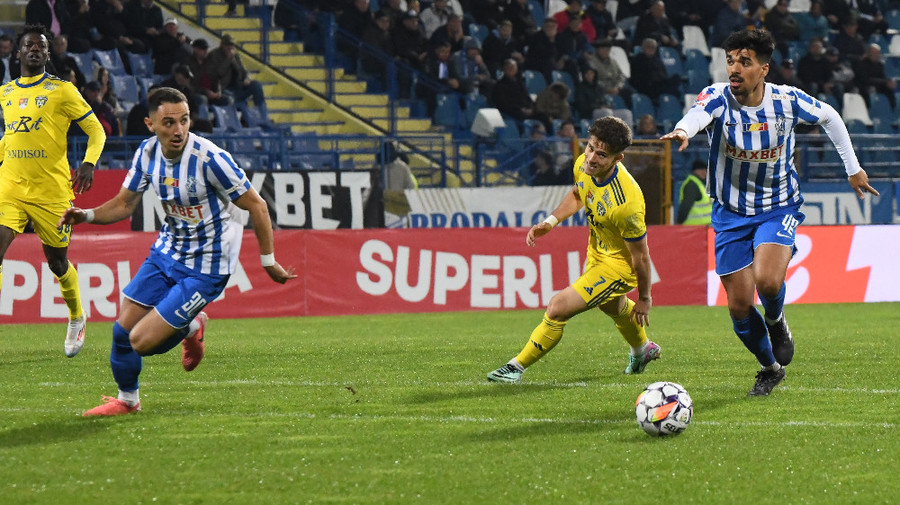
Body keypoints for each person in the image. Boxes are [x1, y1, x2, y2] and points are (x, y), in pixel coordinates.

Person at [660, 29, 879, 396]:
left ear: (763, 69)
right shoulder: (717, 97)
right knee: (740, 306)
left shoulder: (787, 101)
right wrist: (683, 130)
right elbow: (697, 114)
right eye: (730, 60)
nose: (735, 68)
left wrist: (852, 168)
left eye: (744, 62)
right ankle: (769, 368)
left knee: (768, 281)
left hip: (778, 205)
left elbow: (831, 117)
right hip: (729, 213)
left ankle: (776, 319)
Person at [58, 87, 297, 416]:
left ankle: (192, 326)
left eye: (184, 120)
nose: (178, 130)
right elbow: (124, 204)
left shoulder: (209, 159)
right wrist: (85, 215)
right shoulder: (146, 153)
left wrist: (268, 260)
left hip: (208, 265)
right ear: (150, 124)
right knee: (121, 332)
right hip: (168, 251)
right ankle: (128, 401)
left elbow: (257, 205)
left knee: (141, 341)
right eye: (168, 122)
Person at [487, 116, 660, 383]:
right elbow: (579, 193)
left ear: (618, 158)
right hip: (597, 251)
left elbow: (641, 256)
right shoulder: (583, 164)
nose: (591, 158)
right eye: (590, 147)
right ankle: (642, 350)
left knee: (558, 307)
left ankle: (515, 368)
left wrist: (646, 298)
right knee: (613, 308)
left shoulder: (627, 204)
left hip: (619, 265)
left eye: (601, 154)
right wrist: (550, 222)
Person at [0, 24, 106, 357]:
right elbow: (12, 137)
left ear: (47, 54)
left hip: (51, 191)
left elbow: (96, 130)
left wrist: (88, 163)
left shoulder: (63, 90)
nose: (34, 50)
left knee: (57, 263)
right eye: (28, 45)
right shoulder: (6, 92)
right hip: (11, 185)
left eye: (41, 46)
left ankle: (77, 315)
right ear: (18, 53)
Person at [206, 34, 269, 125]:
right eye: (228, 45)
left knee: (256, 85)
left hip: (237, 88)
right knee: (229, 98)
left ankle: (263, 116)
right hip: (222, 89)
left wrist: (247, 78)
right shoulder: (214, 55)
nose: (230, 48)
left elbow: (243, 71)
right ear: (222, 45)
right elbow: (217, 74)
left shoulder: (235, 56)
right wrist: (228, 59)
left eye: (232, 45)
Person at [676, 160, 713, 225]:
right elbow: (686, 206)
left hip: (703, 226)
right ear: (697, 171)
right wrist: (679, 222)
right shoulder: (692, 185)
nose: (705, 173)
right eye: (703, 170)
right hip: (695, 227)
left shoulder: (699, 184)